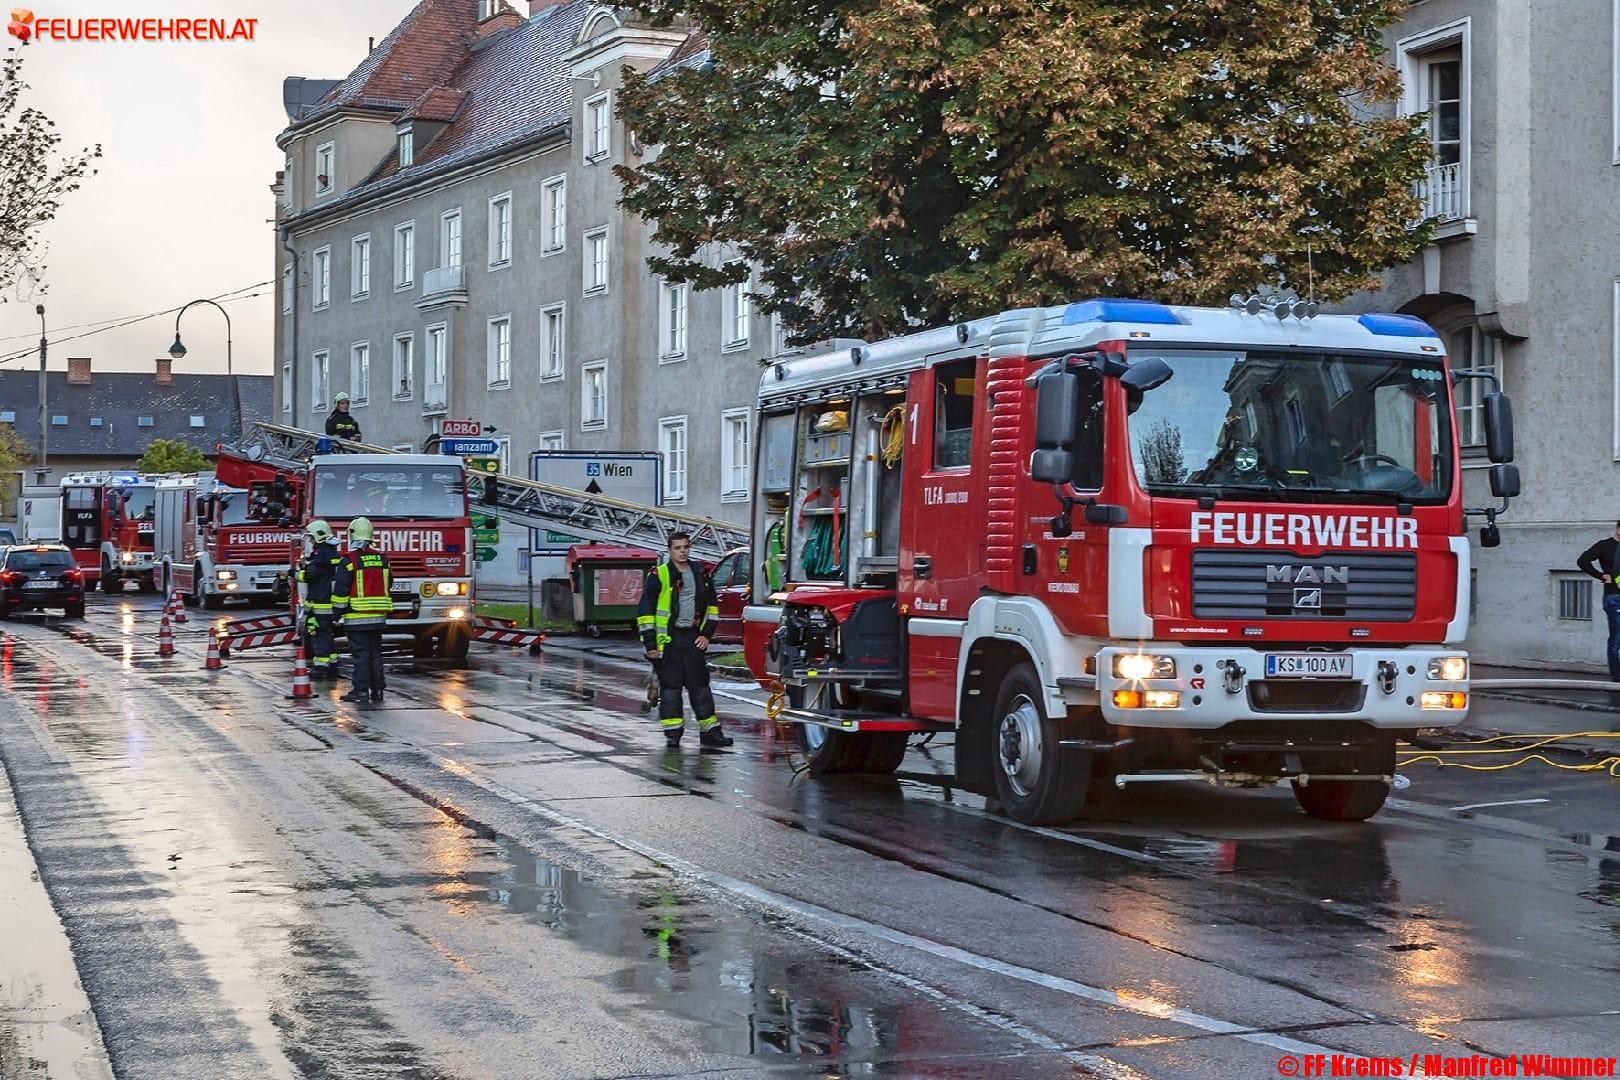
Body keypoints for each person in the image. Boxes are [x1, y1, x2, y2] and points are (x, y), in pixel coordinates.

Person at [637, 532, 733, 748]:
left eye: (685, 547)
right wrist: (650, 645)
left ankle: (710, 732)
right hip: (668, 641)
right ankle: (673, 734)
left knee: (700, 686)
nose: (682, 551)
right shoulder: (659, 574)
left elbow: (712, 607)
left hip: (692, 637)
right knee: (671, 688)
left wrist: (706, 634)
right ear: (669, 550)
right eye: (678, 548)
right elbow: (645, 611)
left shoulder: (701, 574)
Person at [332, 516, 393, 704]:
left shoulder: (349, 561)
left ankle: (360, 691)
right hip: (378, 617)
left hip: (356, 616)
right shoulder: (382, 559)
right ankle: (377, 691)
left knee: (361, 656)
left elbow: (341, 591)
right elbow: (389, 582)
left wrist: (336, 614)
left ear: (351, 535)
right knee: (375, 654)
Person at [297, 519, 344, 680]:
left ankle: (320, 667)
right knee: (326, 634)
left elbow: (310, 575)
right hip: (323, 603)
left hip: (320, 605)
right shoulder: (329, 552)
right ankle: (331, 665)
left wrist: (295, 574)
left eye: (311, 537)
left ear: (319, 536)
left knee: (319, 635)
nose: (310, 541)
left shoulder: (323, 554)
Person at [1577, 520, 1620, 681]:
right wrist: (1601, 576)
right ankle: (1617, 678)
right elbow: (1583, 561)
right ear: (1618, 530)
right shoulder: (1605, 546)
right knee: (1616, 639)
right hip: (1614, 598)